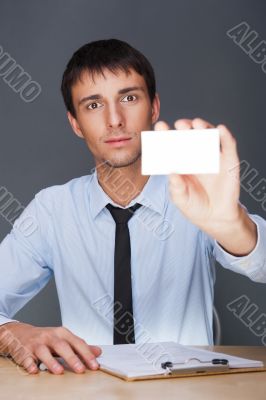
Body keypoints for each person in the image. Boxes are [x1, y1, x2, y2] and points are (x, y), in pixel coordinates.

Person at [0, 38, 265, 376]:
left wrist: (232, 226)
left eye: (128, 98)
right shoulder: (53, 209)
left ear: (153, 107)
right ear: (75, 123)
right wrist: (12, 333)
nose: (114, 119)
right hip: (85, 392)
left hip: (190, 393)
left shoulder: (194, 192)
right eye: (94, 105)